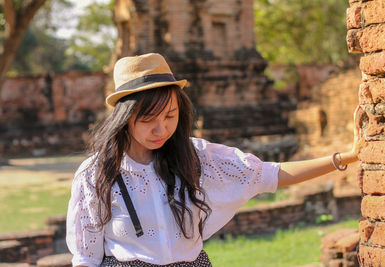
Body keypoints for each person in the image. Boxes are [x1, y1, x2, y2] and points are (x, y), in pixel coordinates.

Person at [66, 53, 360, 267]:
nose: (161, 129)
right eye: (148, 120)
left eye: (170, 116)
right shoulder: (95, 174)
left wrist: (346, 157)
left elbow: (268, 175)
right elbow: (85, 258)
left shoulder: (194, 156)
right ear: (125, 118)